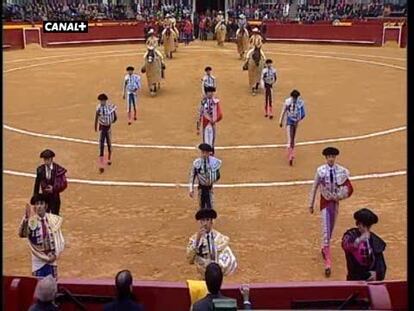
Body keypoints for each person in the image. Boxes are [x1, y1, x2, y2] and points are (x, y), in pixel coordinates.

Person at [308, 147, 354, 277]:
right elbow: (314, 187)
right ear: (326, 158)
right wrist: (311, 204)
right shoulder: (320, 171)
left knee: (330, 229)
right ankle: (328, 261)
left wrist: (340, 195)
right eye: (329, 157)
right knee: (326, 230)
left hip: (335, 203)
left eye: (333, 156)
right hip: (325, 203)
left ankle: (324, 247)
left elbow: (349, 187)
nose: (331, 159)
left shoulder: (341, 171)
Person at [18, 194, 65, 279]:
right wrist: (25, 220)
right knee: (39, 287)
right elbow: (22, 234)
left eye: (41, 204)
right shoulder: (31, 221)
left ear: (46, 206)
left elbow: (59, 240)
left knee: (52, 286)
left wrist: (55, 254)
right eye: (37, 204)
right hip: (38, 261)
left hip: (52, 259)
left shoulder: (53, 219)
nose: (39, 206)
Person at [186, 209, 237, 279]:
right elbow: (190, 259)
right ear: (200, 222)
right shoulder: (194, 239)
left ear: (212, 222)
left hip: (217, 278)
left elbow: (227, 259)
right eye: (203, 220)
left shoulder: (221, 239)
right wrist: (197, 240)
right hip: (202, 277)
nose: (205, 223)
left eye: (207, 220)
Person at [342, 208, 386, 281]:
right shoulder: (351, 235)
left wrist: (377, 274)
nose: (366, 229)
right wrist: (358, 241)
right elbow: (346, 246)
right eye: (363, 226)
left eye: (368, 227)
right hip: (354, 279)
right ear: (358, 224)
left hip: (370, 281)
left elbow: (381, 265)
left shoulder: (375, 240)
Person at [33, 149, 67, 216]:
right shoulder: (40, 170)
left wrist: (53, 189)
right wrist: (35, 197)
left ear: (51, 159)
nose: (46, 161)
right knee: (44, 216)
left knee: (55, 217)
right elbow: (37, 184)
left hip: (55, 198)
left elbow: (64, 184)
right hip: (45, 198)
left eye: (47, 159)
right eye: (45, 159)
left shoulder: (58, 169)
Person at [189, 143, 222, 210]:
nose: (204, 154)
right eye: (203, 152)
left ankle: (210, 220)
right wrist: (191, 189)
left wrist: (214, 177)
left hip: (210, 188)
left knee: (211, 208)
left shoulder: (213, 162)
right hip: (201, 188)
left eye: (206, 152)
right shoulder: (196, 163)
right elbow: (192, 177)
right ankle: (202, 220)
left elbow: (218, 175)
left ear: (209, 153)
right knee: (201, 208)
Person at [278, 90, 305, 165]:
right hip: (289, 122)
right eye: (294, 97)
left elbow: (303, 114)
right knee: (290, 139)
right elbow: (283, 111)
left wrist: (298, 120)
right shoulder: (288, 102)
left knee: (293, 138)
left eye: (296, 97)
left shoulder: (300, 103)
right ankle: (290, 155)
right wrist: (280, 121)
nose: (295, 99)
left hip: (295, 122)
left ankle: (291, 152)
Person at [94, 93, 117, 173]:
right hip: (102, 127)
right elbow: (96, 117)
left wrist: (114, 119)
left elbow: (114, 115)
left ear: (105, 101)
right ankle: (101, 164)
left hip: (108, 127)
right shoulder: (98, 108)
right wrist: (95, 126)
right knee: (101, 145)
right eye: (101, 101)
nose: (102, 102)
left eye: (103, 101)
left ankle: (109, 158)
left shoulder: (109, 107)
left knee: (109, 143)